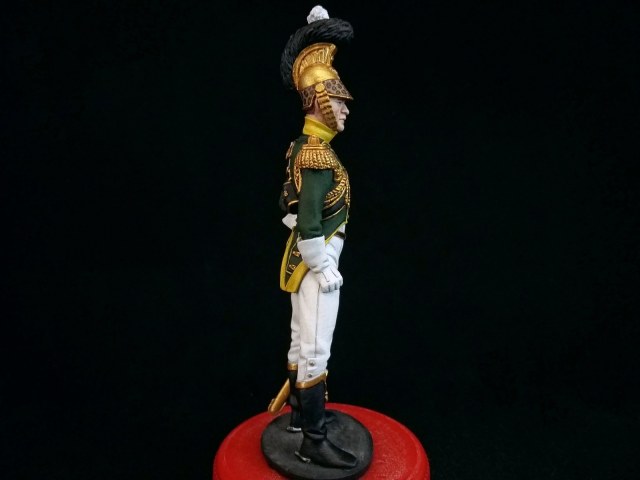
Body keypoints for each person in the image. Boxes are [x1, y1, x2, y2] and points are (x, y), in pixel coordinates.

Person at [268, 5, 357, 469]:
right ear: (320, 100)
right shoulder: (317, 155)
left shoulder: (300, 146)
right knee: (317, 347)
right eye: (339, 101)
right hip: (316, 259)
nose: (345, 109)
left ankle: (300, 417)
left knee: (300, 337)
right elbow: (307, 218)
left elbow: (287, 202)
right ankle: (313, 440)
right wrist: (323, 265)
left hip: (301, 255)